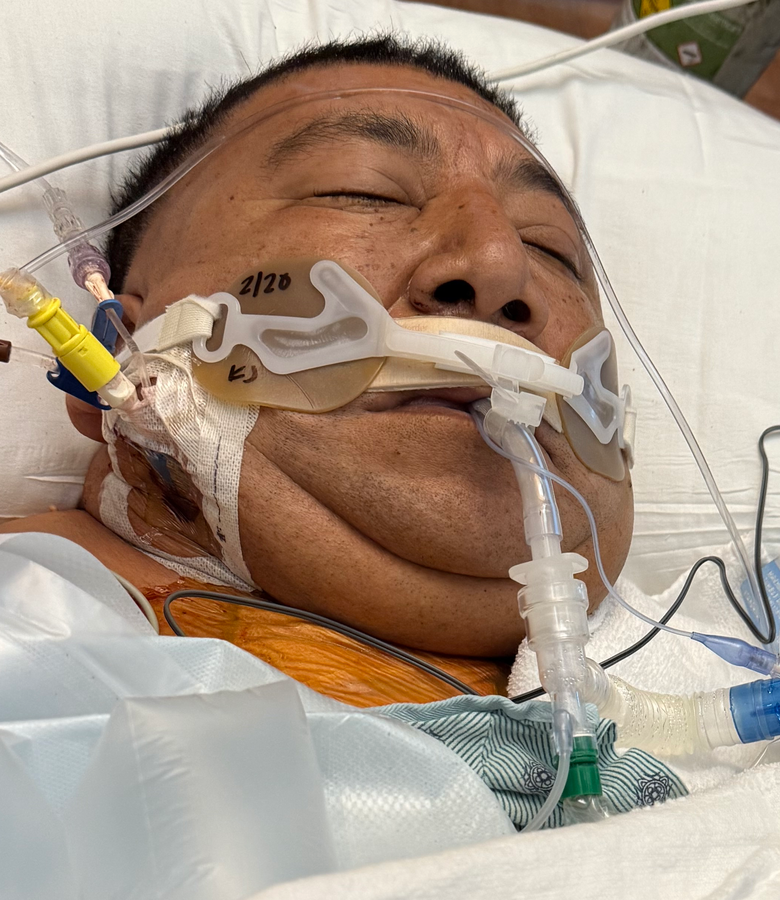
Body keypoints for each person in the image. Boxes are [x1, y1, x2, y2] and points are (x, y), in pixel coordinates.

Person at [0, 35, 635, 703]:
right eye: (362, 191)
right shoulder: (28, 637)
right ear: (116, 359)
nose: (500, 265)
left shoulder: (704, 673)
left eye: (549, 247)